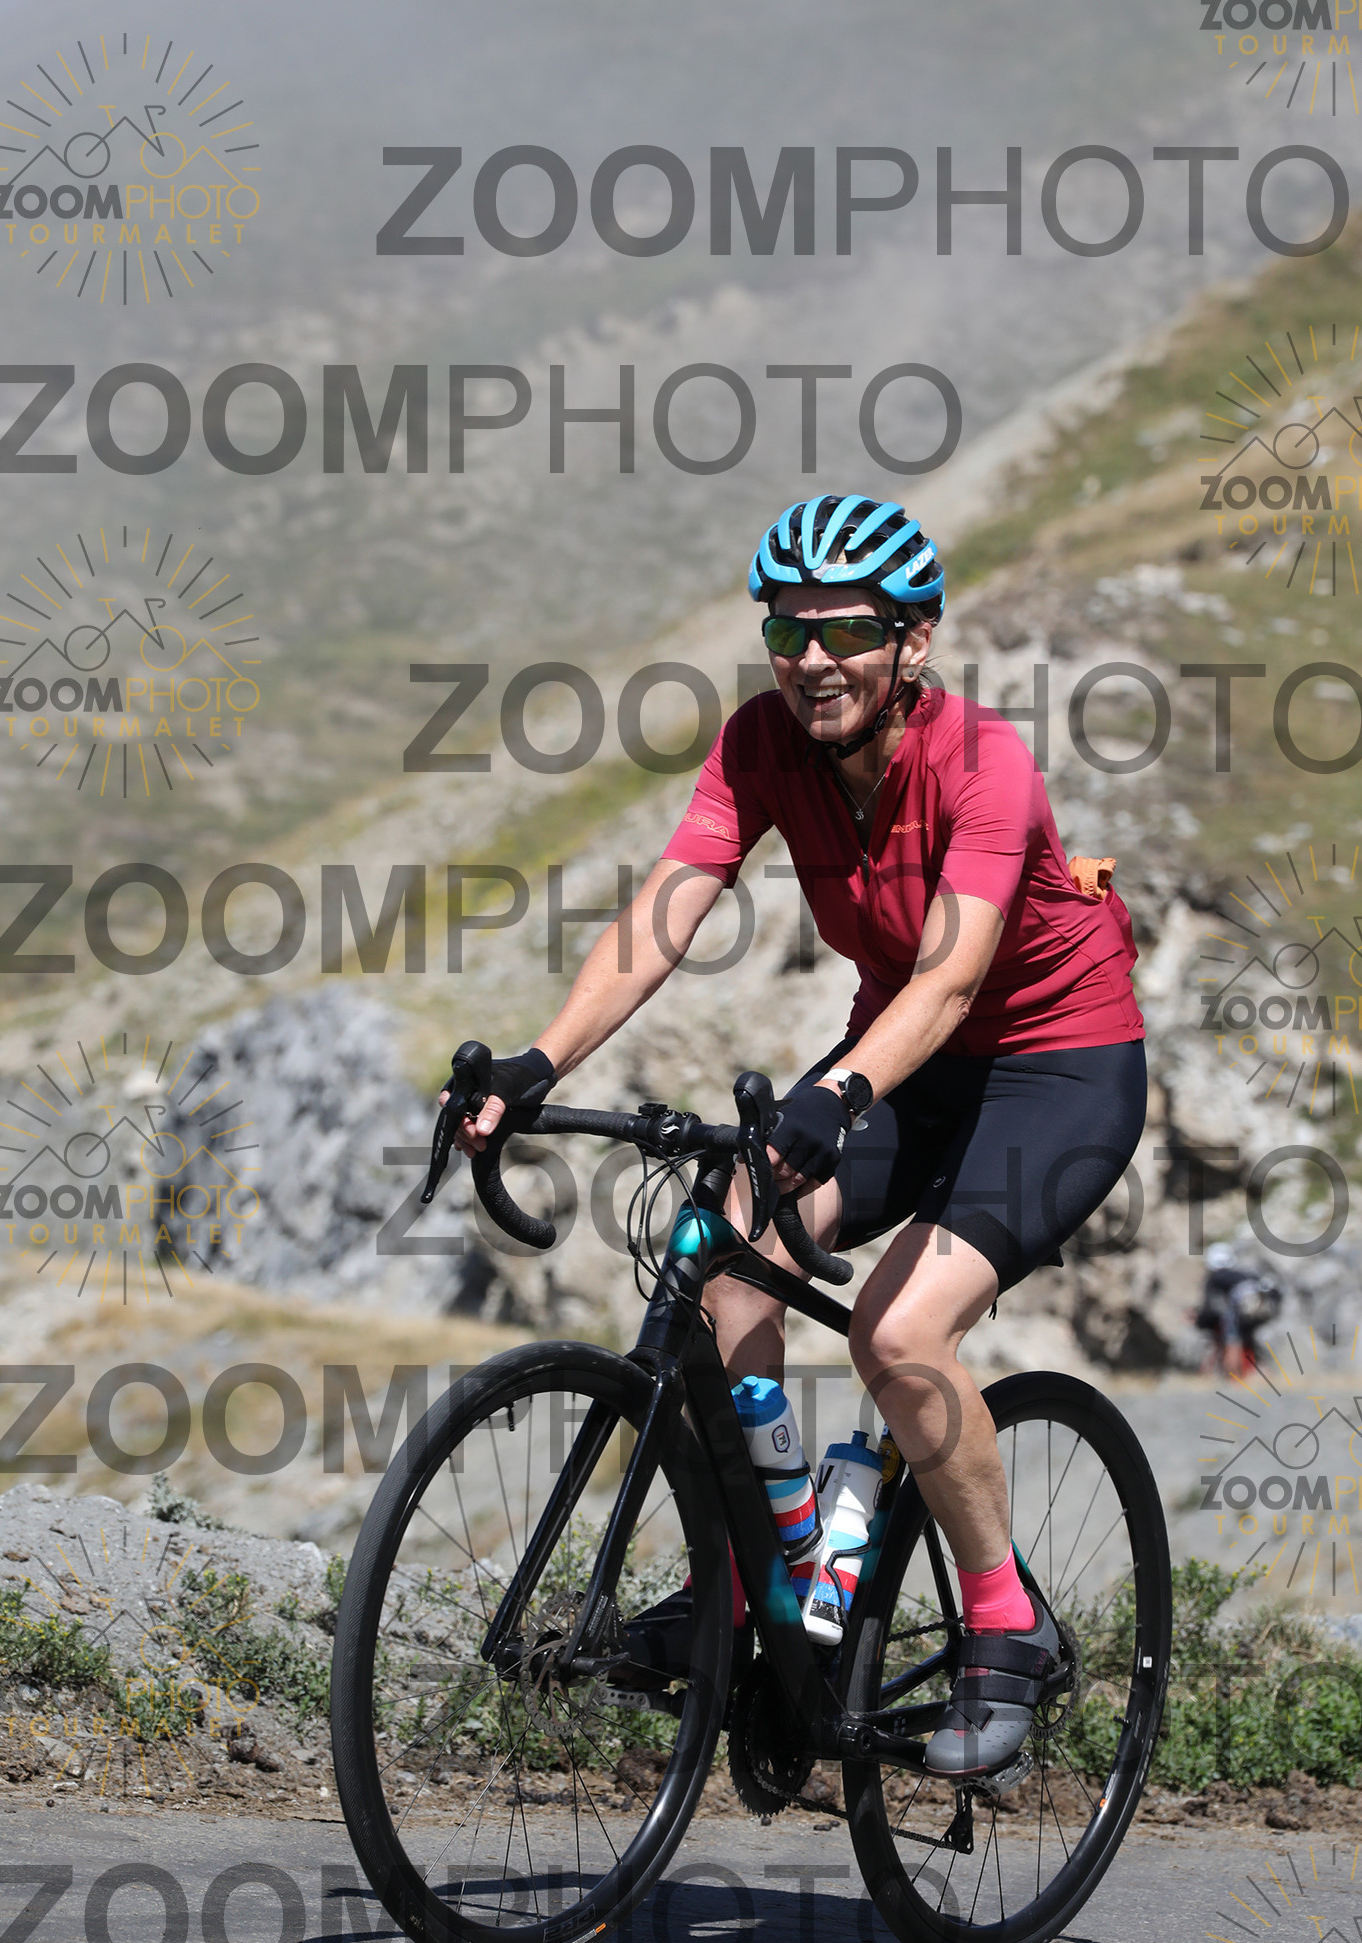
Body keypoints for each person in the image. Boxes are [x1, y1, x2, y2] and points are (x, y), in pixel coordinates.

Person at [453, 493, 1147, 1778]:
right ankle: (752, 1586)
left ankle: (1007, 1622)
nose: (813, 659)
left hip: (1056, 1068)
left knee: (897, 1331)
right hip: (904, 1061)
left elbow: (949, 979)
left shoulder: (985, 762)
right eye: (788, 631)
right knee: (726, 1254)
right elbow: (666, 912)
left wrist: (837, 1095)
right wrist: (540, 1063)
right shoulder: (761, 745)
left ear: (913, 641)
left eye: (847, 632)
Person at [1195, 1242, 1283, 1379]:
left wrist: (1201, 1322)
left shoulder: (1215, 1278)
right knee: (1249, 1340)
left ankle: (1234, 1376)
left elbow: (1208, 1308)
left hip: (1239, 1309)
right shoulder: (1244, 1274)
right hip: (1261, 1310)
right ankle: (1265, 1375)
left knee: (1232, 1340)